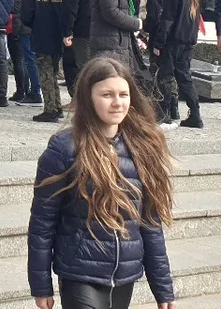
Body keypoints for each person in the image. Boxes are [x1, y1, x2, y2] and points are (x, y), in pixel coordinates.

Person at [27, 57, 176, 309]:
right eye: (107, 94)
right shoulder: (64, 149)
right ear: (88, 97)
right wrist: (41, 285)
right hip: (79, 271)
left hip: (125, 274)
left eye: (123, 94)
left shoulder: (141, 148)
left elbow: (151, 223)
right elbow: (42, 223)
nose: (117, 102)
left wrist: (163, 290)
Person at [152, 0, 203, 130]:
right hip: (188, 41)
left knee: (165, 77)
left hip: (172, 41)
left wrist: (158, 43)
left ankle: (164, 115)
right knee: (184, 77)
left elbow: (167, 20)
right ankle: (195, 113)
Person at [21, 0, 64, 123]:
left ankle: (50, 109)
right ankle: (57, 106)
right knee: (53, 72)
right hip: (57, 38)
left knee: (45, 73)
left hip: (40, 37)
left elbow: (25, 18)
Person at [140, 0, 172, 121]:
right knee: (169, 75)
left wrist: (144, 30)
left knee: (157, 75)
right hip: (171, 39)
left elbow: (152, 19)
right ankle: (173, 109)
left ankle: (160, 111)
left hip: (157, 38)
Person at [14, 0, 43, 107]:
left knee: (29, 59)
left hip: (27, 24)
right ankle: (37, 90)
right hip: (42, 23)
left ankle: (34, 93)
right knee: (39, 59)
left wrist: (19, 25)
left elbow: (19, 3)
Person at [59, 0, 79, 100]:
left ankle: (75, 100)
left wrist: (67, 32)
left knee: (70, 66)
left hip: (71, 31)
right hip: (83, 31)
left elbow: (68, 10)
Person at [7, 0, 27, 101]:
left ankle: (21, 90)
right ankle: (26, 88)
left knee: (17, 61)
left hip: (12, 27)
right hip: (24, 27)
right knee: (25, 60)